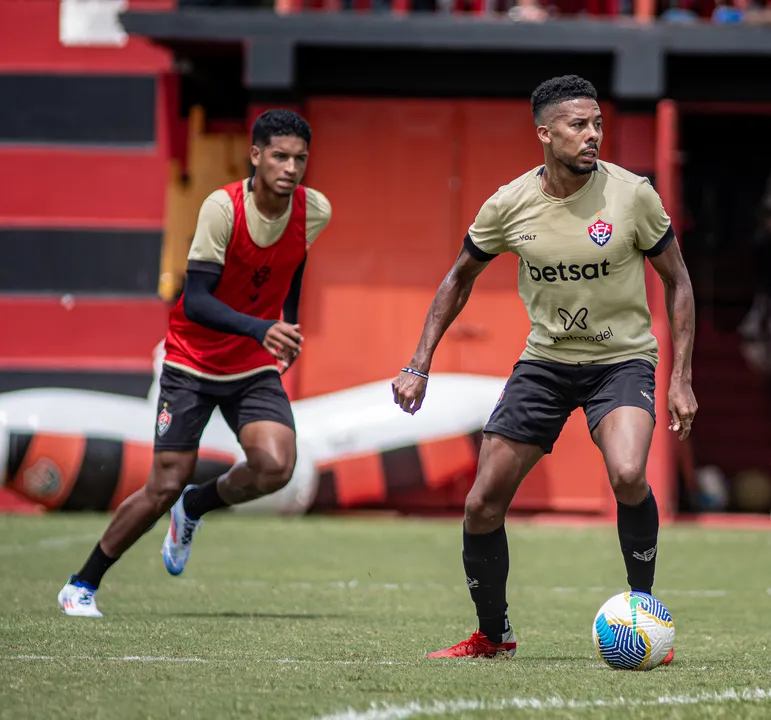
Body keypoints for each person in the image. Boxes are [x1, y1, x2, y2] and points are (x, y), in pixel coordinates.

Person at [391, 75, 697, 660]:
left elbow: (678, 282)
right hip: (546, 364)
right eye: (578, 126)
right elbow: (459, 278)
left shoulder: (633, 195)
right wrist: (419, 363)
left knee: (629, 474)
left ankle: (643, 611)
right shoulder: (508, 204)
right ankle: (493, 636)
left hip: (621, 360)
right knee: (482, 504)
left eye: (597, 124)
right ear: (545, 133)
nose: (592, 136)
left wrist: (680, 377)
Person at [58, 109, 332, 617]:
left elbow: (292, 267)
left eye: (299, 159)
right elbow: (198, 299)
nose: (290, 168)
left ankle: (196, 507)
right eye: (279, 156)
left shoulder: (314, 209)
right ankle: (82, 583)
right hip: (193, 361)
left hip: (251, 364)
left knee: (277, 466)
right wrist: (261, 327)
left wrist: (287, 327)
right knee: (164, 482)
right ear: (256, 155)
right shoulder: (222, 208)